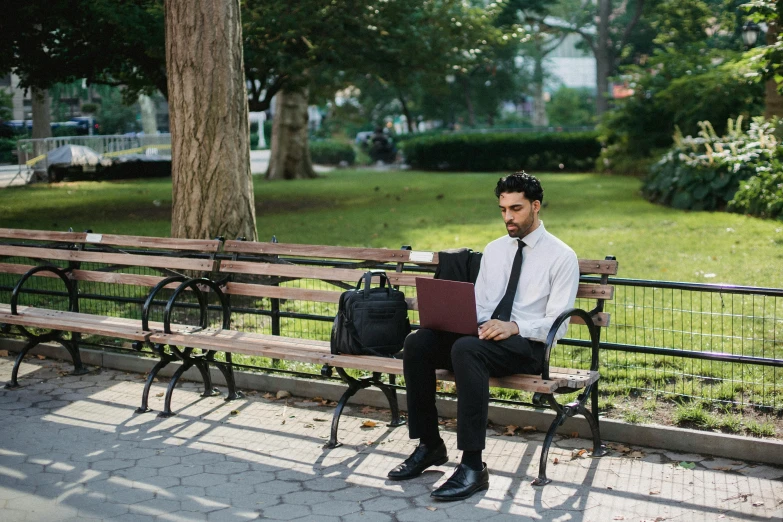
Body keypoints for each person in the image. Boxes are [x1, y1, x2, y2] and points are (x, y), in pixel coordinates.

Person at [387, 172, 580, 501]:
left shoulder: (562, 256)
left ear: (536, 206)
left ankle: (473, 466)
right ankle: (430, 445)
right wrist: (462, 319)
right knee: (418, 343)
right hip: (484, 340)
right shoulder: (495, 250)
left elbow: (558, 323)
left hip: (528, 349)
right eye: (503, 209)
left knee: (466, 350)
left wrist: (514, 327)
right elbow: (484, 303)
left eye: (516, 209)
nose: (508, 217)